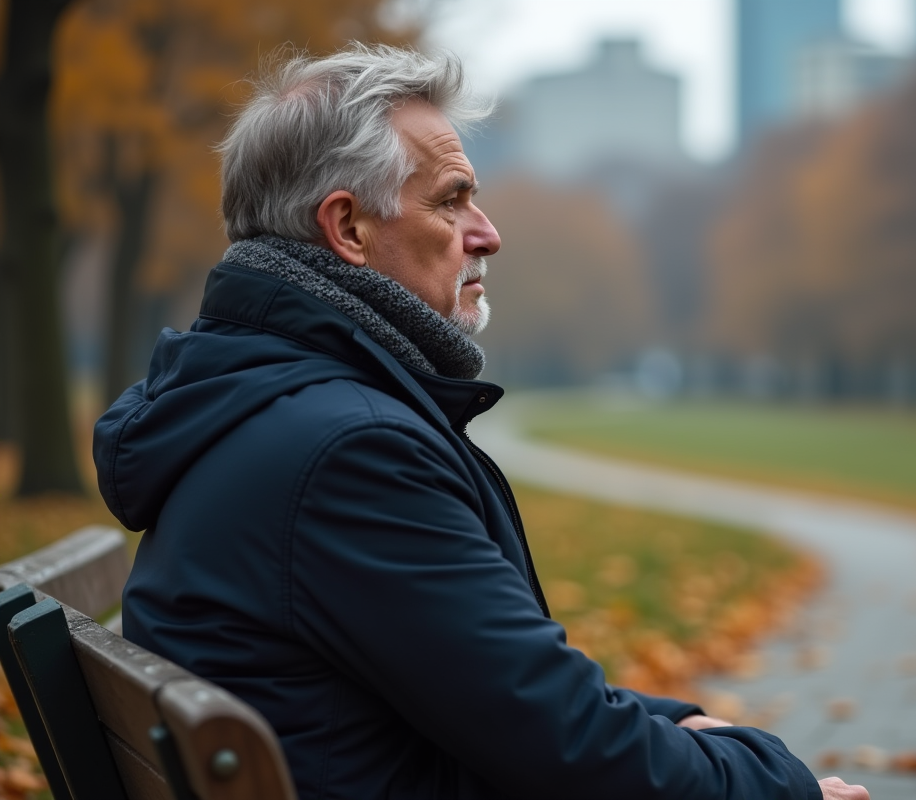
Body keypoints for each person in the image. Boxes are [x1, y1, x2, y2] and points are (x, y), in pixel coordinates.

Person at [94, 43, 869, 800]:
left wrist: (685, 726)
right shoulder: (348, 454)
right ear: (348, 228)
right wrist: (779, 783)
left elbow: (510, 701)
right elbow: (566, 748)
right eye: (451, 199)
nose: (487, 233)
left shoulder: (260, 404)